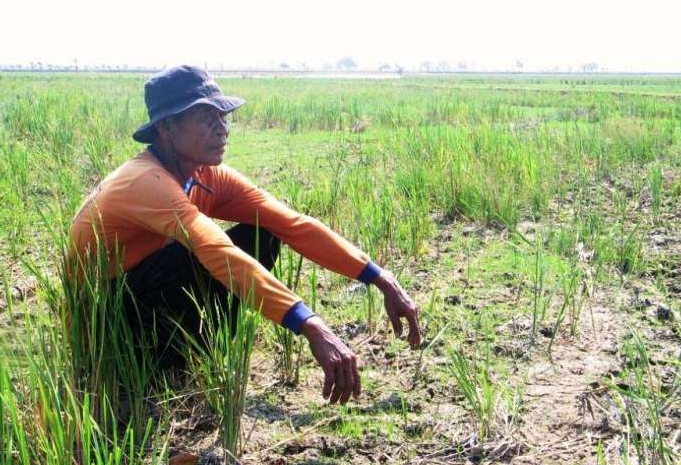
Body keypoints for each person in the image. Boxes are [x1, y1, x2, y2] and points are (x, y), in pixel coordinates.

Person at [70, 65, 421, 405]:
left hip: (145, 293)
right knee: (202, 253)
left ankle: (188, 355)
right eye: (206, 118)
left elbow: (292, 225)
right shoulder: (146, 181)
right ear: (166, 128)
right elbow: (216, 249)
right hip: (106, 320)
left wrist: (380, 278)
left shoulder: (205, 176)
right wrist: (311, 326)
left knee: (264, 233)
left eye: (222, 117)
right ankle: (153, 366)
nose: (222, 129)